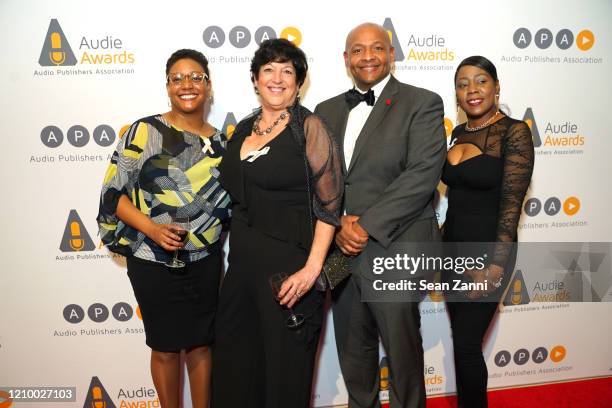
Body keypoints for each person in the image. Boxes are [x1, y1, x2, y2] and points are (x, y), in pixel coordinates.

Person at [315, 23, 447, 408]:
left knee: (403, 360)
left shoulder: (422, 102)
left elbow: (422, 175)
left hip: (397, 245)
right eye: (358, 50)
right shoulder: (326, 111)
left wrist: (366, 225)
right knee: (354, 357)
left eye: (377, 48)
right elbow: (318, 178)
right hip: (341, 251)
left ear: (391, 54)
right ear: (346, 59)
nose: (367, 56)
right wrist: (338, 224)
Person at [211, 39, 343, 408]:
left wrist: (311, 270)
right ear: (255, 79)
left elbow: (330, 207)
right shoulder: (242, 129)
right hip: (240, 272)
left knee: (284, 376)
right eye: (268, 70)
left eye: (288, 71)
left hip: (289, 275)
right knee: (237, 370)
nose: (278, 78)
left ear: (299, 82)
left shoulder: (310, 127)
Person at [96, 49, 230, 408]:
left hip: (205, 261)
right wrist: (153, 230)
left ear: (208, 85)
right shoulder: (144, 131)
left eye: (196, 77)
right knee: (166, 347)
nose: (187, 85)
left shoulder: (222, 144)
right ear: (168, 86)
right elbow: (113, 196)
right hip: (151, 259)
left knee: (202, 345)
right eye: (177, 78)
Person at [442, 55, 534, 407]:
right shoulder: (458, 132)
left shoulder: (515, 132)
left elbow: (512, 206)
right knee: (462, 344)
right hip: (452, 253)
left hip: (489, 254)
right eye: (463, 84)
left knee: (466, 344)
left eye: (480, 81)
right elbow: (457, 199)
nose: (472, 90)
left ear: (497, 87)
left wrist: (495, 267)